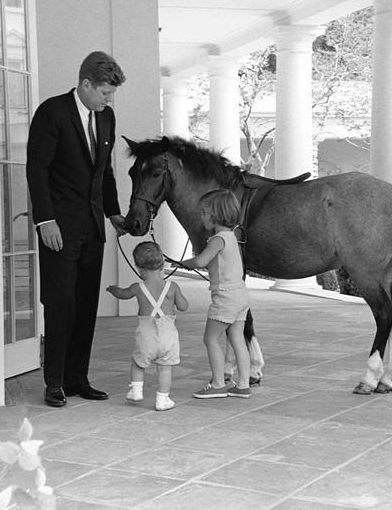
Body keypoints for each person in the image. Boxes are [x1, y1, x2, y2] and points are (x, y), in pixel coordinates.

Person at [26, 51, 126, 407]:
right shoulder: (52, 113)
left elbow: (105, 172)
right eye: (105, 92)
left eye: (111, 94)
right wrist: (45, 219)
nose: (109, 100)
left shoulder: (107, 118)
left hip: (92, 228)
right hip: (58, 227)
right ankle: (53, 381)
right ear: (85, 84)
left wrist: (114, 213)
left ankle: (77, 378)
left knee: (85, 303)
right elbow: (36, 171)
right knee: (60, 302)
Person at [176, 189, 252, 399]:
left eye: (203, 212)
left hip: (226, 297)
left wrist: (183, 263)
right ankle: (243, 385)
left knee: (210, 339)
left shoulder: (218, 239)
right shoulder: (232, 237)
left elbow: (200, 261)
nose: (200, 217)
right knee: (236, 338)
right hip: (240, 294)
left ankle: (218, 384)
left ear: (216, 214)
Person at [107, 242, 188, 411]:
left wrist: (113, 289)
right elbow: (183, 306)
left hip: (146, 335)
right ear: (162, 264)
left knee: (138, 363)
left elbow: (122, 294)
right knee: (165, 368)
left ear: (138, 267)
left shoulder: (137, 288)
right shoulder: (172, 287)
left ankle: (136, 390)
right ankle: (162, 399)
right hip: (168, 337)